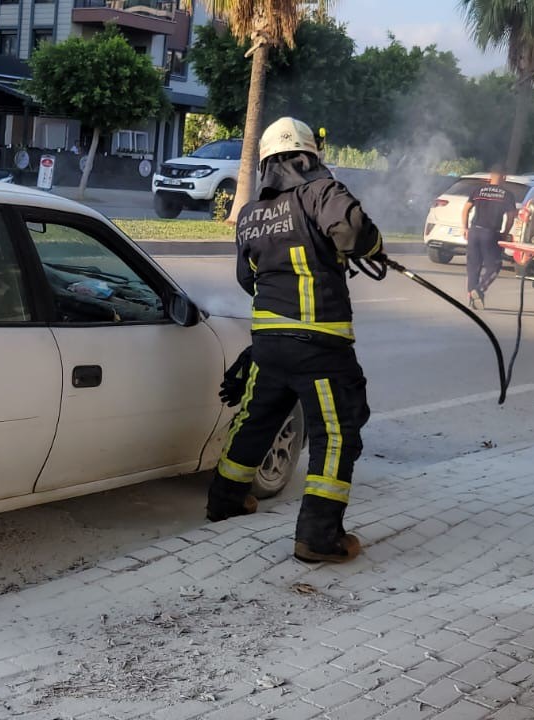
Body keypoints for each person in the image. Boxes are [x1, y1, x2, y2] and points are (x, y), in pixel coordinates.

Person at [208, 117, 385, 564]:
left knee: (256, 418)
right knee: (336, 434)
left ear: (267, 163)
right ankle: (317, 537)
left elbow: (246, 278)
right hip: (320, 344)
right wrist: (370, 246)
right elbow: (353, 232)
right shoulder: (320, 193)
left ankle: (226, 500)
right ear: (308, 157)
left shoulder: (250, 214)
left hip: (269, 343)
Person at [460, 169, 518, 309]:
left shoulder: (478, 191)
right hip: (491, 234)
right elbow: (510, 217)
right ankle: (479, 290)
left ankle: (473, 300)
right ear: (503, 177)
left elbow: (465, 209)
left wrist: (465, 228)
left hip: (474, 232)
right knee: (494, 266)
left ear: (490, 176)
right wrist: (505, 232)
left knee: (473, 267)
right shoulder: (507, 195)